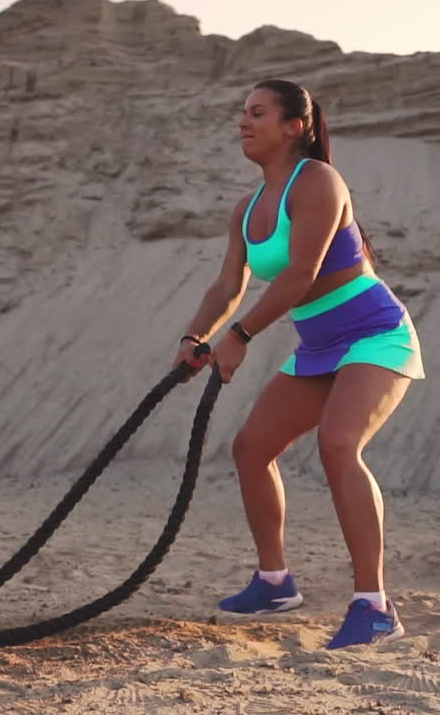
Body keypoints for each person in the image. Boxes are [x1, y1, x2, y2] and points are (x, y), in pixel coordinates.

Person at [172, 79, 424, 649]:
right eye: (242, 112)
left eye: (257, 113)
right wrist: (197, 335)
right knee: (251, 448)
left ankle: (375, 605)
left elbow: (300, 273)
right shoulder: (247, 208)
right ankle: (275, 582)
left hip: (375, 334)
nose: (243, 121)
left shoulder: (319, 182)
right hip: (319, 347)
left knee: (339, 445)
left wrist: (239, 336)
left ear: (294, 126)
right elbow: (227, 283)